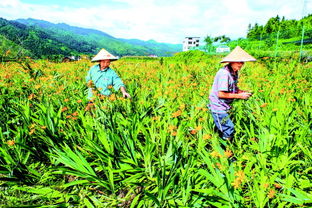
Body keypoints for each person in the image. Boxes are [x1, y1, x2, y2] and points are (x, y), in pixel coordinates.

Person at [208, 46, 256, 141]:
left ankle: (223, 144)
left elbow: (233, 88)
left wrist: (241, 92)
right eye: (238, 61)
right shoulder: (224, 74)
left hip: (225, 106)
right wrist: (239, 96)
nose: (241, 64)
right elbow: (221, 94)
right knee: (228, 129)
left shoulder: (234, 72)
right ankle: (224, 151)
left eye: (242, 61)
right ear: (231, 61)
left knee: (225, 127)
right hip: (218, 108)